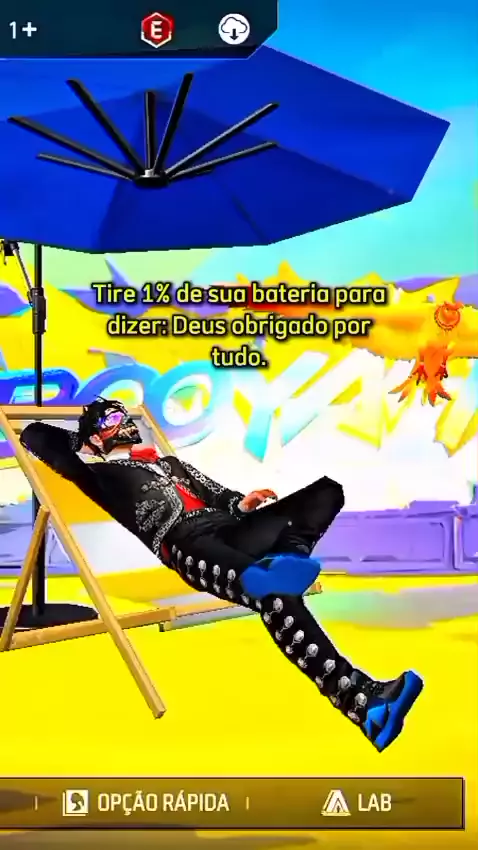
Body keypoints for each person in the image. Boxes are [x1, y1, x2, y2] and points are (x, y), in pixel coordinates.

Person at [20, 397, 423, 751]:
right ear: (95, 437)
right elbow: (36, 435)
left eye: (123, 415)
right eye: (111, 420)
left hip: (231, 528)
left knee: (327, 492)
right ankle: (365, 703)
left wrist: (244, 504)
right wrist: (85, 442)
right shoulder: (97, 476)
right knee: (271, 594)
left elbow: (217, 494)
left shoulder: (171, 464)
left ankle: (286, 562)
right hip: (185, 542)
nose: (124, 422)